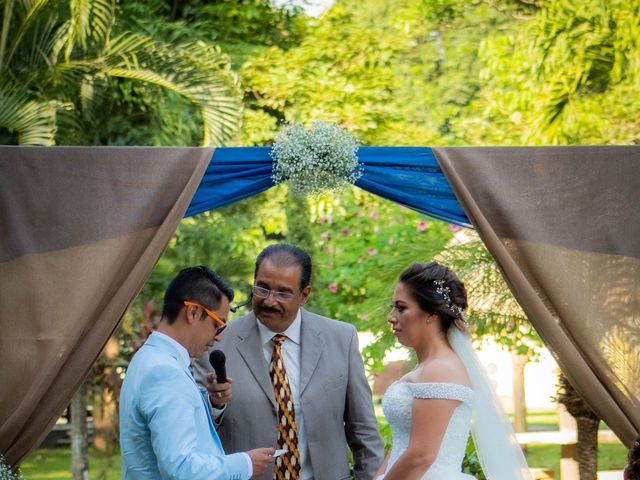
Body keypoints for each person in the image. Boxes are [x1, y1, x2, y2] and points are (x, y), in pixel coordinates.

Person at [193, 244, 384, 480]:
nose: (269, 301)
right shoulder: (215, 343)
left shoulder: (341, 339)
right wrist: (215, 403)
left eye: (283, 293)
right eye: (262, 288)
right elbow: (195, 431)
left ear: (305, 295)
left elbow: (363, 429)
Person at [375, 261, 532, 480]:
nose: (391, 317)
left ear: (431, 313)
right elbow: (404, 444)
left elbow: (421, 456)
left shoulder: (441, 370)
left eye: (401, 308)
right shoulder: (428, 367)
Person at [119, 266, 275, 479]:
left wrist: (212, 403)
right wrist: (246, 464)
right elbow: (182, 469)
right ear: (193, 312)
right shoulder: (165, 372)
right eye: (218, 325)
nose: (219, 336)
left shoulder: (150, 358)